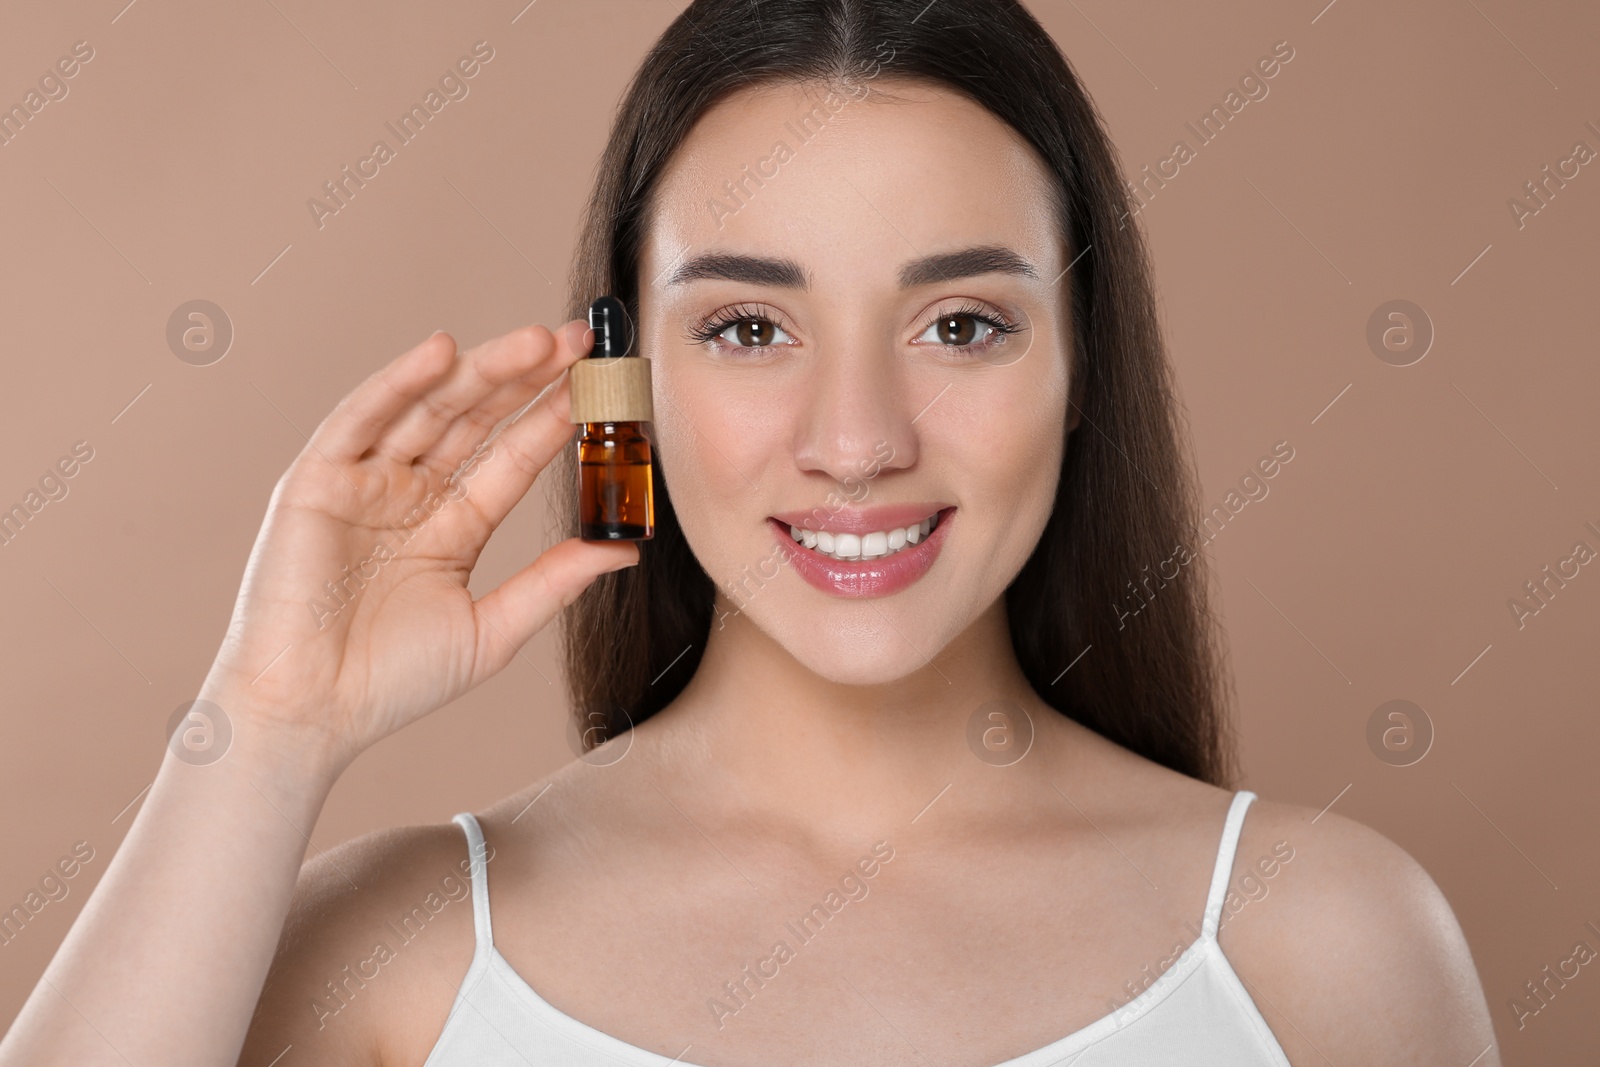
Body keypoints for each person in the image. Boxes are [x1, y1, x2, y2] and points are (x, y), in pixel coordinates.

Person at [1, 1, 1499, 1064]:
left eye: (964, 322)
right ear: (621, 390)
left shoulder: (1329, 947)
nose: (857, 441)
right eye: (748, 326)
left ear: (1083, 367)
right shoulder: (405, 955)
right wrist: (262, 728)